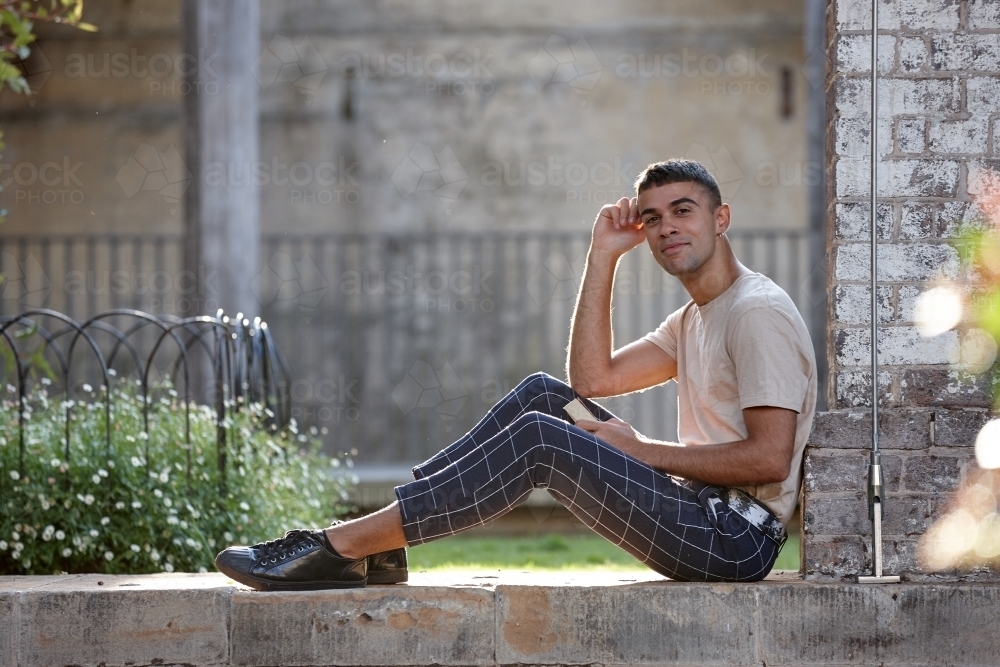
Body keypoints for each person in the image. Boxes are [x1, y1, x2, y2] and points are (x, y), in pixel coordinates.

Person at [215, 159, 817, 589]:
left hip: (734, 538)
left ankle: (341, 546)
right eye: (654, 217)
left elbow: (769, 459)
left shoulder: (754, 312)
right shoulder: (693, 318)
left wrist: (644, 452)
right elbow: (590, 380)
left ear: (721, 218)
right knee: (544, 397)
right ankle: (385, 543)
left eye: (683, 211)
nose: (666, 228)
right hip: (698, 507)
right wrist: (602, 254)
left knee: (539, 437)